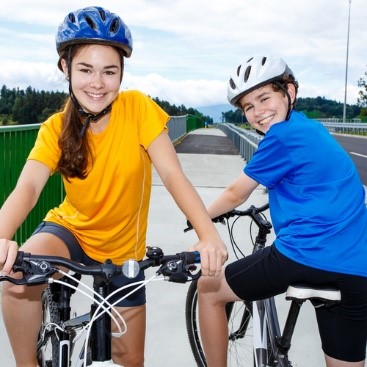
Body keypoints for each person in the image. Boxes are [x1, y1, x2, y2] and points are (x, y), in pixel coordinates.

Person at [0, 6, 227, 367]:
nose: (97, 83)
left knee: (128, 362)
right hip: (69, 231)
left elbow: (172, 175)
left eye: (109, 71)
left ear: (122, 73)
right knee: (16, 281)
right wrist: (3, 234)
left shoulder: (138, 109)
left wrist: (208, 235)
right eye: (85, 70)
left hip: (123, 251)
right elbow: (28, 187)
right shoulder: (56, 128)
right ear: (65, 68)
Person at [193, 55, 367, 367]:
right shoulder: (311, 129)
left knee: (207, 289)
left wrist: (199, 219)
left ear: (290, 91)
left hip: (304, 255)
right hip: (357, 266)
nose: (258, 112)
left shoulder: (281, 137)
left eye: (264, 98)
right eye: (248, 106)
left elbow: (236, 192)